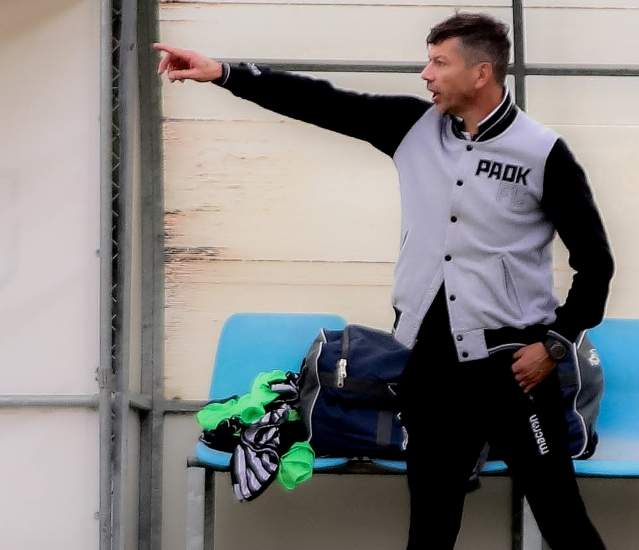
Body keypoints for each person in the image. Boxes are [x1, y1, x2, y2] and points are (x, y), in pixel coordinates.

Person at [155, 12, 613, 549]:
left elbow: (595, 264)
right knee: (430, 529)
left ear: (481, 72)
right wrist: (225, 73)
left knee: (562, 519)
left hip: (516, 368)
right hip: (433, 368)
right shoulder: (412, 128)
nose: (426, 74)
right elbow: (323, 101)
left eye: (439, 62)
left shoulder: (542, 153)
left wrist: (554, 345)